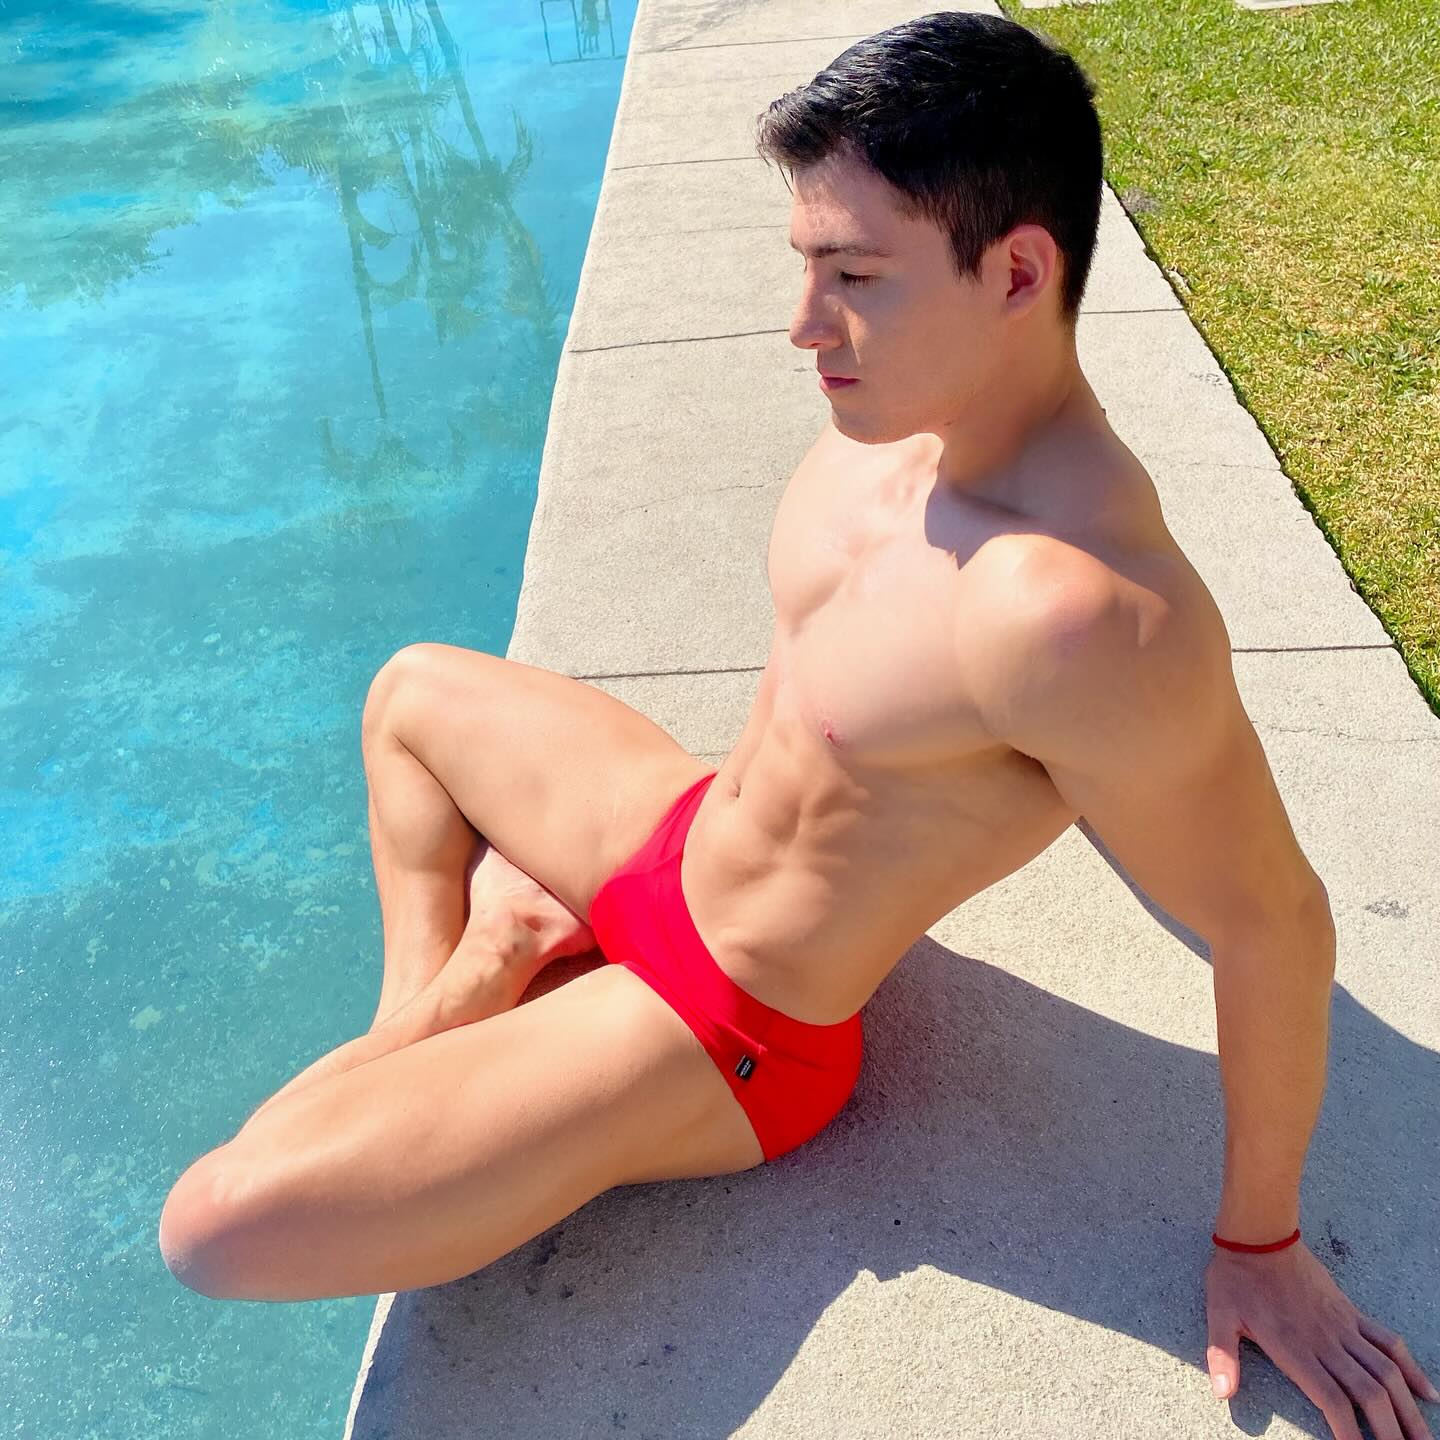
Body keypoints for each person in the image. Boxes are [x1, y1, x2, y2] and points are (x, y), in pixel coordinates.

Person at [158, 12, 1437, 1436]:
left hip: (730, 1023)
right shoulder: (897, 428)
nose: (803, 324)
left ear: (1019, 272)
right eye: (806, 266)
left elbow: (1274, 923)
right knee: (409, 692)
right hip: (678, 830)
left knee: (214, 1225)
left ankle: (486, 975)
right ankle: (453, 1000)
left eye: (855, 277)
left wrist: (1261, 1241)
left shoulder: (1073, 615)